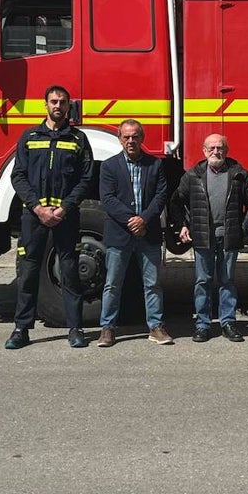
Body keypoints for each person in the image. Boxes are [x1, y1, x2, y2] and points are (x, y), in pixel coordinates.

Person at [7, 85, 95, 350]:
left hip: (65, 218)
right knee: (29, 271)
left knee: (69, 272)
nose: (58, 106)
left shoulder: (78, 139)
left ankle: (75, 328)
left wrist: (65, 208)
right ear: (45, 105)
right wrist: (37, 208)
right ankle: (21, 329)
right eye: (54, 101)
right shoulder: (29, 137)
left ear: (69, 106)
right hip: (34, 218)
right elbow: (18, 176)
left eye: (63, 102)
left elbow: (86, 179)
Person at [170, 133, 248, 343]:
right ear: (204, 151)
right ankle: (202, 324)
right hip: (203, 237)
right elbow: (175, 201)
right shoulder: (193, 175)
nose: (215, 152)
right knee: (202, 281)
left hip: (228, 237)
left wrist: (243, 228)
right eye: (211, 148)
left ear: (226, 151)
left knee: (227, 281)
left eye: (220, 148)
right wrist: (182, 225)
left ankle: (228, 322)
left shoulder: (239, 174)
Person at [96, 118, 172, 347]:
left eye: (135, 136)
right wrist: (131, 220)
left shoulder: (155, 165)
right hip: (120, 233)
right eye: (126, 137)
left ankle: (156, 327)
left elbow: (161, 195)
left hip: (147, 233)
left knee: (152, 283)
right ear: (120, 139)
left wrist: (144, 219)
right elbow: (107, 199)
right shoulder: (108, 166)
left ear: (142, 138)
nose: (131, 141)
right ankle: (107, 328)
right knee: (112, 283)